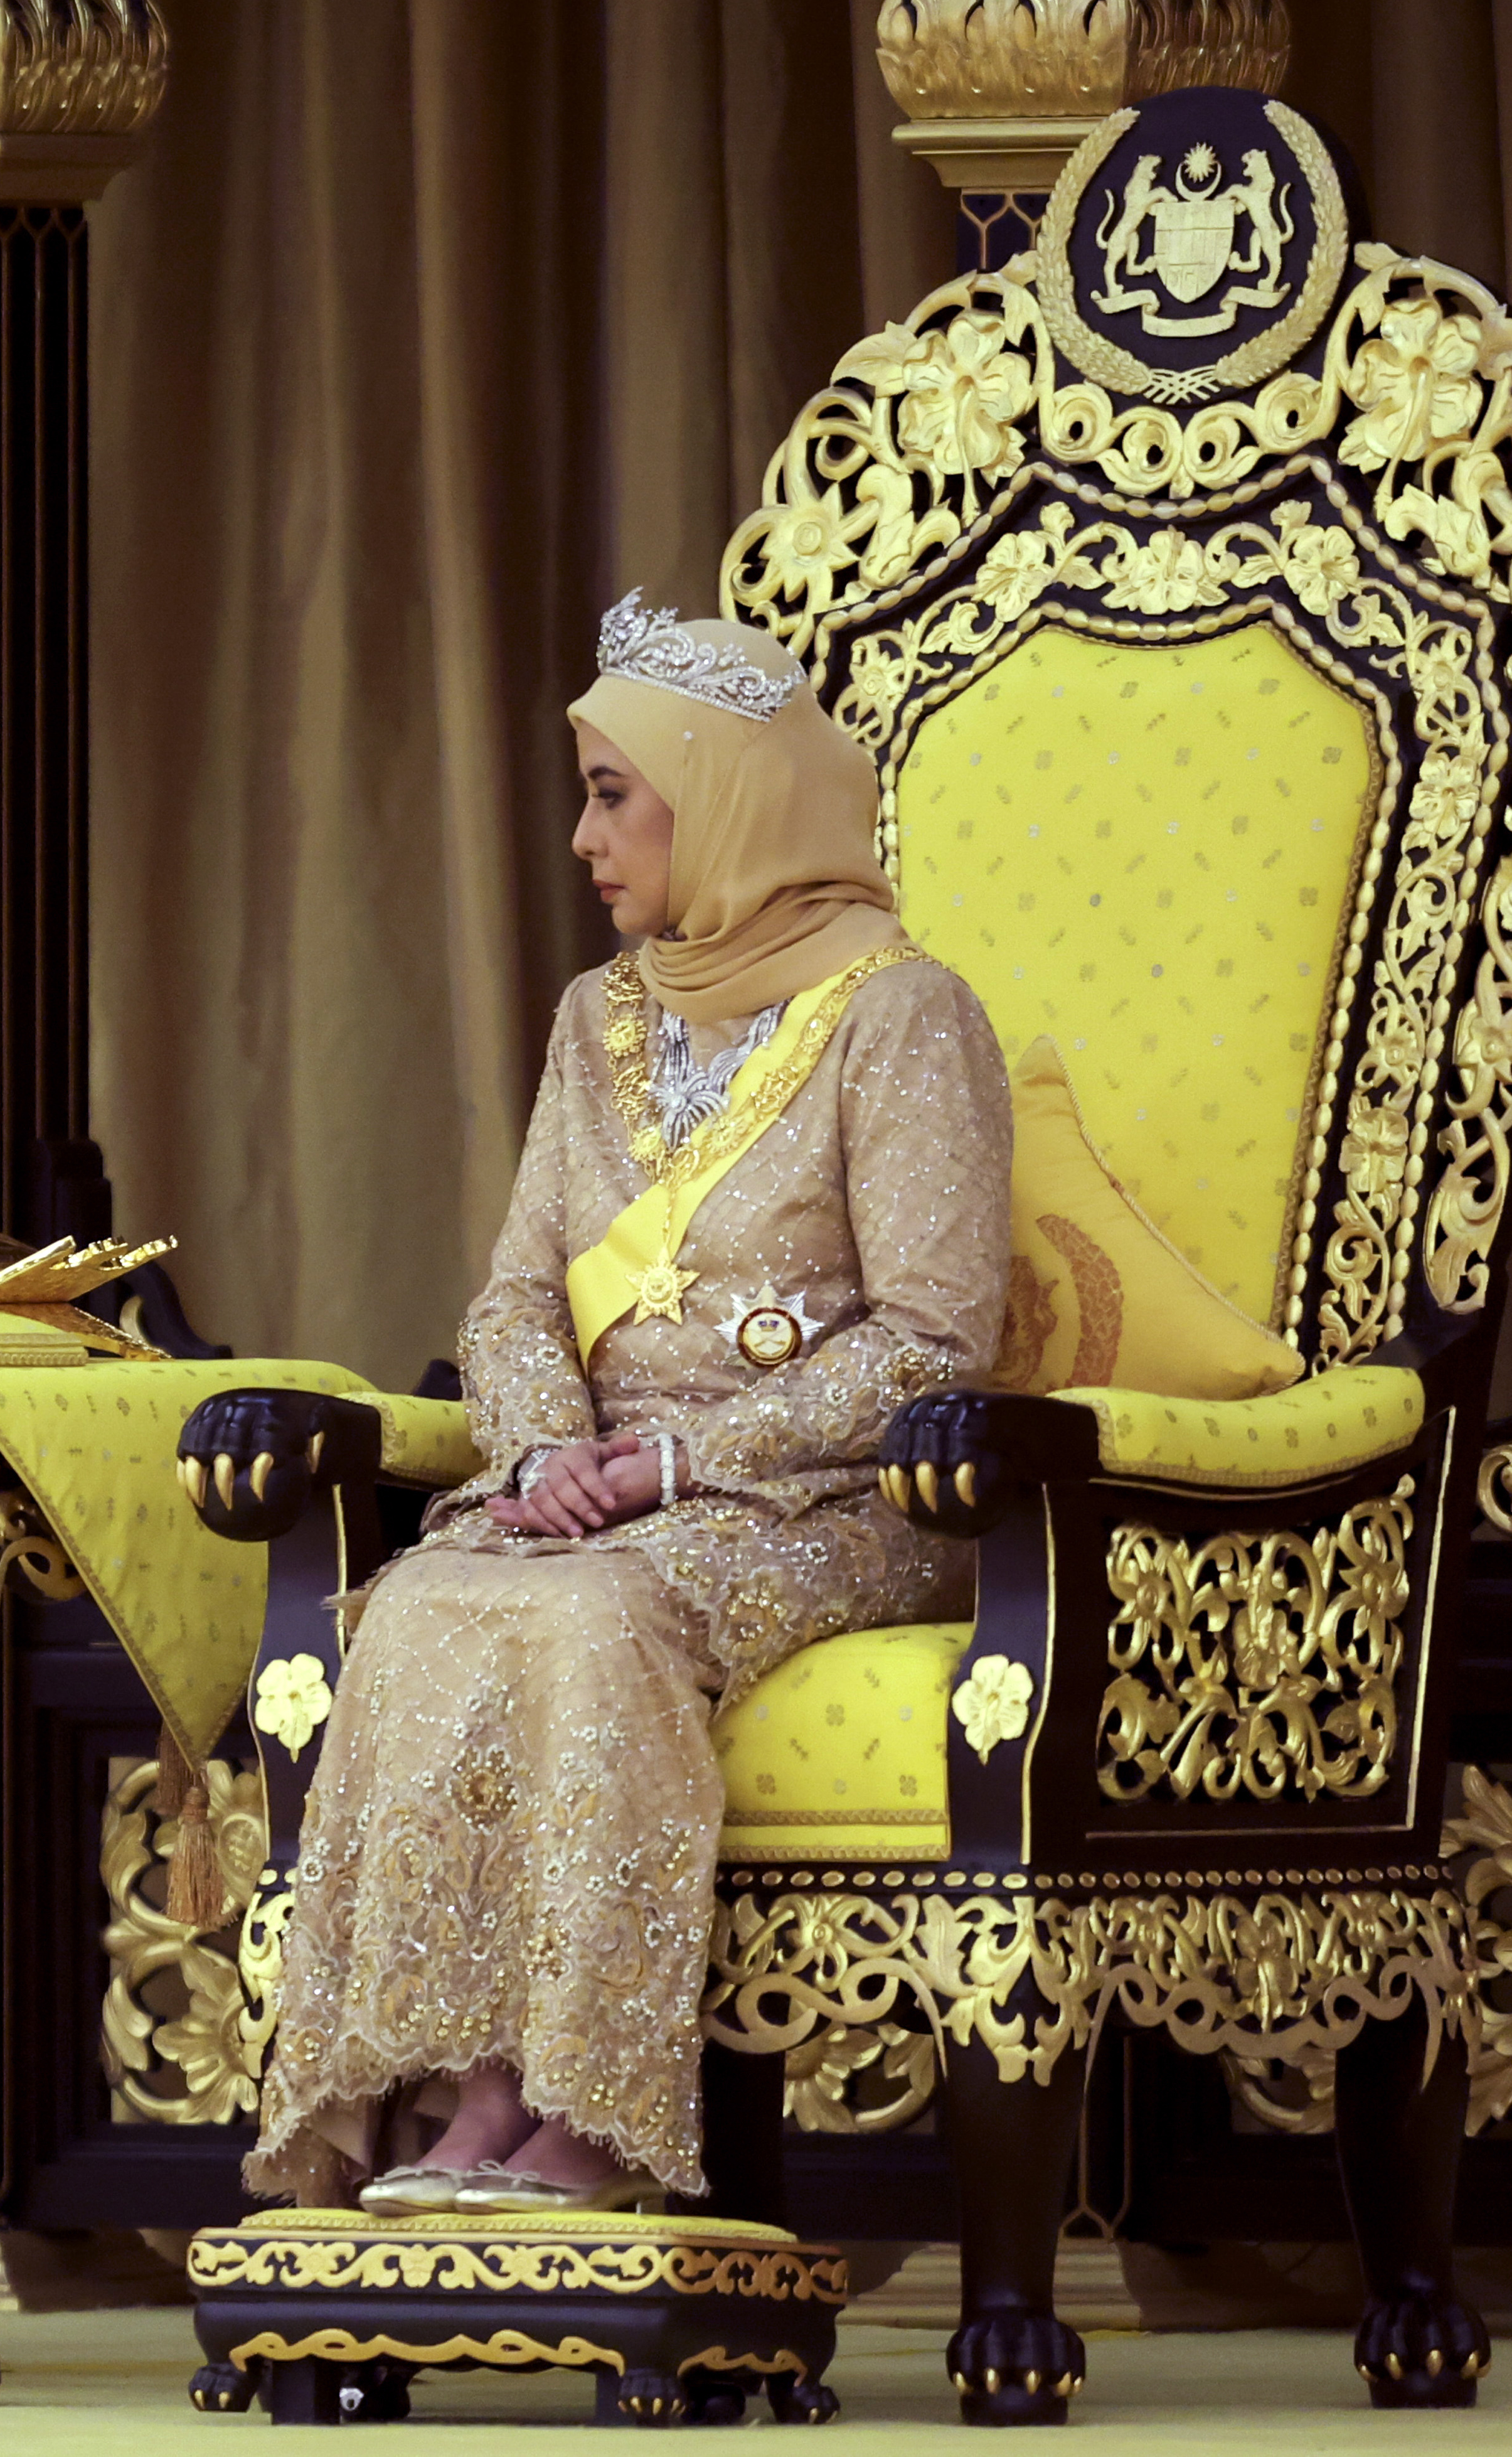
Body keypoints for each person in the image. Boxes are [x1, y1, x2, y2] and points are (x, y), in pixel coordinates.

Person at [193, 591, 1009, 2214]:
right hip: (593, 1495)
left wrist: (670, 1457)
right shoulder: (598, 1019)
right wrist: (549, 1447)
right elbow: (511, 1296)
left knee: (593, 1620)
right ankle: (471, 2091)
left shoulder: (904, 1019)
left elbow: (931, 1344)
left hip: (827, 1506)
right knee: (418, 1603)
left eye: (609, 793)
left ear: (722, 794)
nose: (578, 837)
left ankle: (591, 2112)